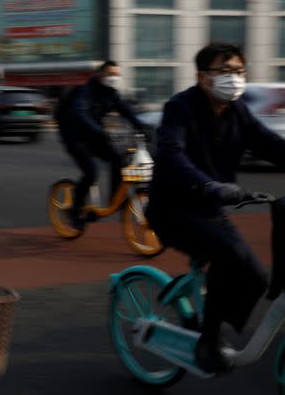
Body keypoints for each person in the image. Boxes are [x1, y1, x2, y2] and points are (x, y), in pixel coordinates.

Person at [146, 42, 285, 373]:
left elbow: (270, 143)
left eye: (238, 71)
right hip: (173, 210)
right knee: (230, 254)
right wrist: (207, 184)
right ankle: (208, 340)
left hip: (211, 210)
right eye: (224, 71)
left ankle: (216, 320)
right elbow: (171, 154)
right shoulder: (180, 107)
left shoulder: (238, 112)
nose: (233, 78)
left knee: (257, 277)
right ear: (202, 77)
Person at [56, 60, 149, 230]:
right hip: (75, 137)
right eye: (111, 74)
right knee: (91, 173)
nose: (115, 77)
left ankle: (114, 200)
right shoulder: (86, 91)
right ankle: (75, 212)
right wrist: (99, 130)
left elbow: (125, 109)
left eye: (117, 74)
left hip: (94, 135)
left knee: (119, 160)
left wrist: (141, 125)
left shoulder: (111, 93)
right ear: (100, 75)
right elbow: (80, 113)